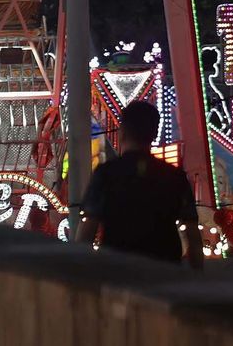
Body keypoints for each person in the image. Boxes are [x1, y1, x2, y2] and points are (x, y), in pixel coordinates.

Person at [77, 101, 204, 269]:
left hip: (118, 271)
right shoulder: (174, 177)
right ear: (153, 133)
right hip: (165, 270)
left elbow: (88, 229)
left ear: (122, 132)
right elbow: (193, 236)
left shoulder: (106, 173)